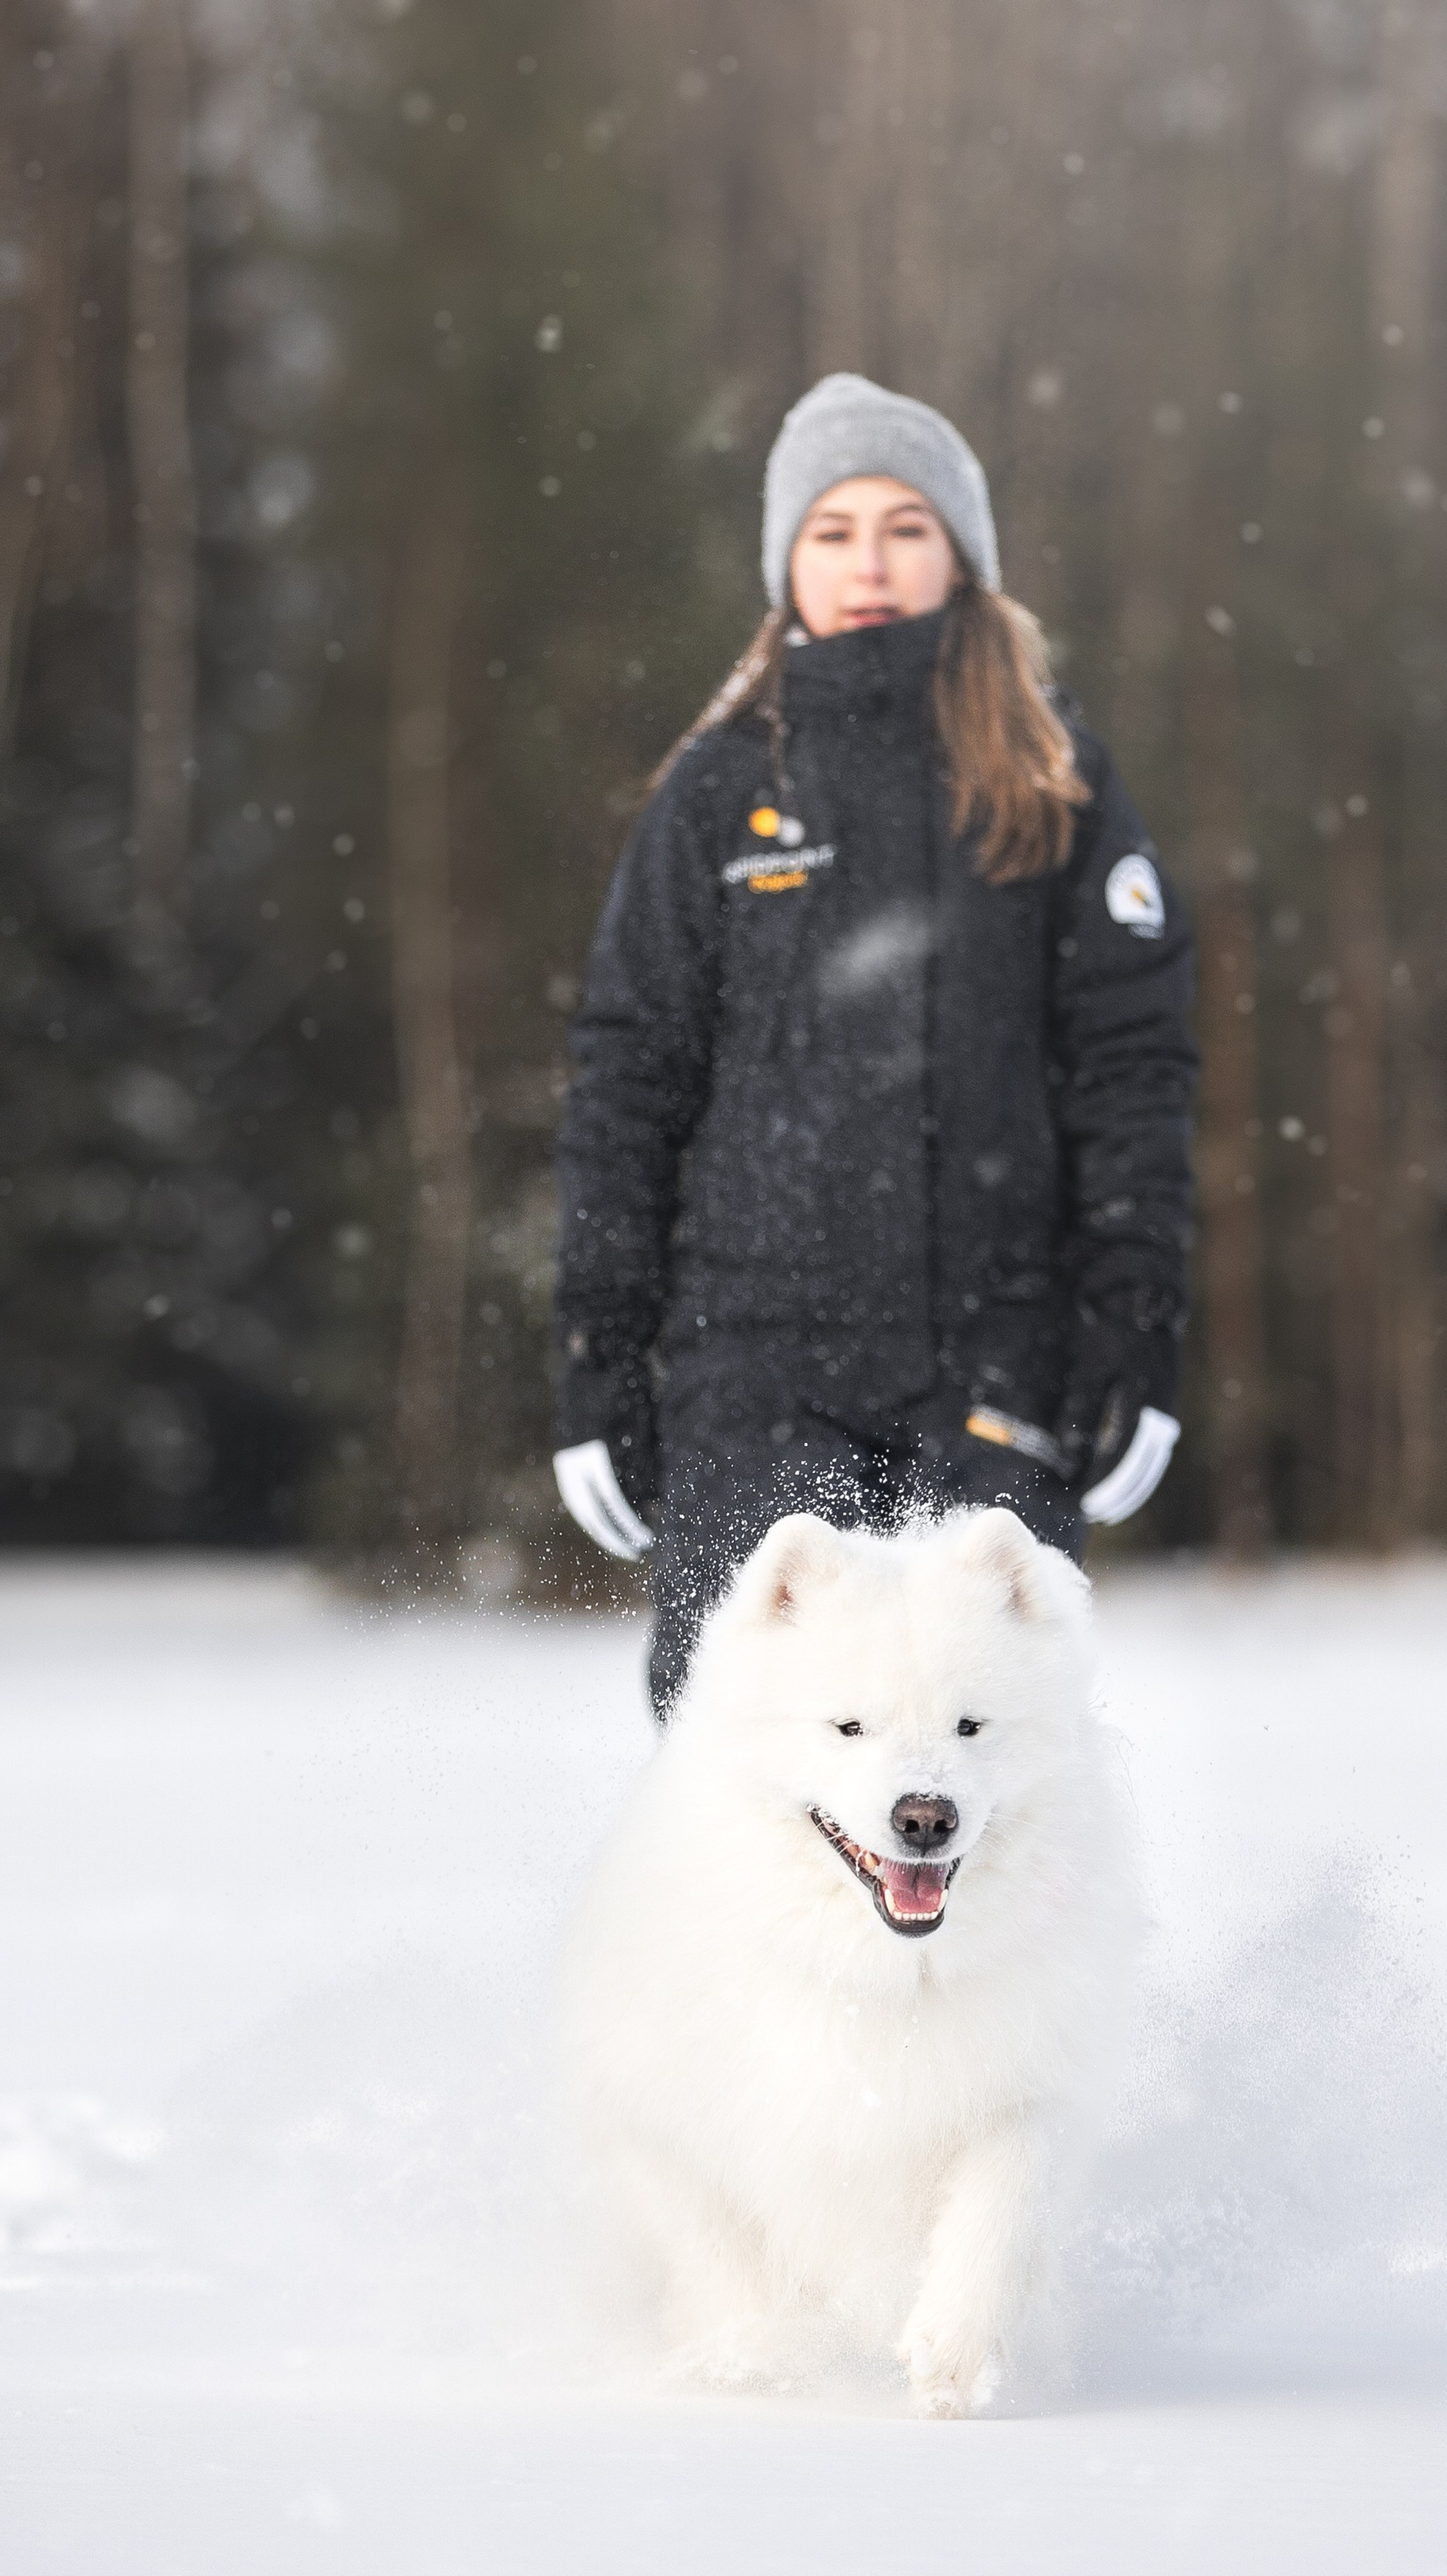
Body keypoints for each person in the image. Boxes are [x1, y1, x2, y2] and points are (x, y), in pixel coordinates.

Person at [552, 372, 1198, 1716]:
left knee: (992, 1764)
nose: (869, 562)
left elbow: (1131, 1070)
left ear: (960, 555)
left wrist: (1134, 1326)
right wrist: (597, 1357)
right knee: (749, 1771)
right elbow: (627, 1079)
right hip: (759, 1366)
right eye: (833, 529)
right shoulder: (722, 786)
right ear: (788, 560)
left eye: (905, 526)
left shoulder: (1052, 777)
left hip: (998, 1363)